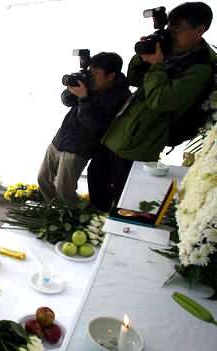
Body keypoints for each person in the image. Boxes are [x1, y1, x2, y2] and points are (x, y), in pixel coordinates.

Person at [91, 1, 216, 211]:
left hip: (139, 142)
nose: (171, 35)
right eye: (169, 29)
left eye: (177, 30)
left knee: (125, 203)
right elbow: (133, 78)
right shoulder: (170, 52)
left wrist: (157, 65)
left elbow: (160, 101)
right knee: (97, 184)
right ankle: (95, 227)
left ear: (199, 30)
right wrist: (144, 57)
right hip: (118, 133)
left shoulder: (200, 69)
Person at [37, 52, 131, 204]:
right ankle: (55, 212)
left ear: (111, 76)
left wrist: (84, 98)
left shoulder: (118, 96)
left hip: (79, 148)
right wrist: (72, 88)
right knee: (43, 179)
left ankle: (72, 217)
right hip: (61, 139)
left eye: (95, 73)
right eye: (90, 72)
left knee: (63, 188)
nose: (91, 77)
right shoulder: (91, 84)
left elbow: (94, 125)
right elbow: (67, 101)